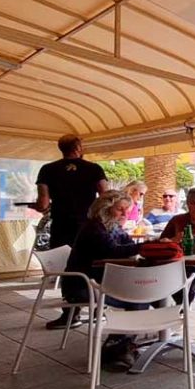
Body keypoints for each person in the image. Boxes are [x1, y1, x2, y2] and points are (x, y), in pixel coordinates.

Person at [60, 190, 143, 367]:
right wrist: (148, 247)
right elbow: (113, 251)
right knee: (138, 296)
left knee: (143, 291)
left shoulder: (112, 226)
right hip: (82, 286)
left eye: (126, 210)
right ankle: (119, 346)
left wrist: (146, 247)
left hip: (98, 281)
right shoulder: (94, 228)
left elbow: (127, 245)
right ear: (105, 208)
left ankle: (122, 342)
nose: (125, 214)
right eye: (120, 209)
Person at [35, 134, 107, 330]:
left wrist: (38, 207)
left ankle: (70, 313)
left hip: (62, 226)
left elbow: (43, 204)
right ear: (79, 147)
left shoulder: (48, 169)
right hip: (88, 226)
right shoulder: (94, 169)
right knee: (93, 265)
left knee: (67, 267)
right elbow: (106, 198)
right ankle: (96, 309)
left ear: (61, 148)